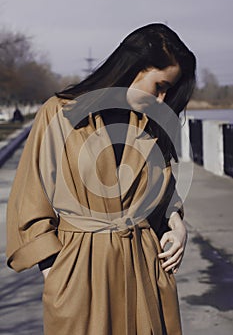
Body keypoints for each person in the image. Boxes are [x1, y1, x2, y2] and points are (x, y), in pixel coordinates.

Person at [6, 23, 196, 335]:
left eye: (169, 91)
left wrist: (177, 224)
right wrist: (55, 271)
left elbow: (163, 192)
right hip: (80, 272)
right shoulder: (60, 113)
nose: (163, 100)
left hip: (144, 268)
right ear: (133, 68)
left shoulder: (150, 124)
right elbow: (29, 198)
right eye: (159, 86)